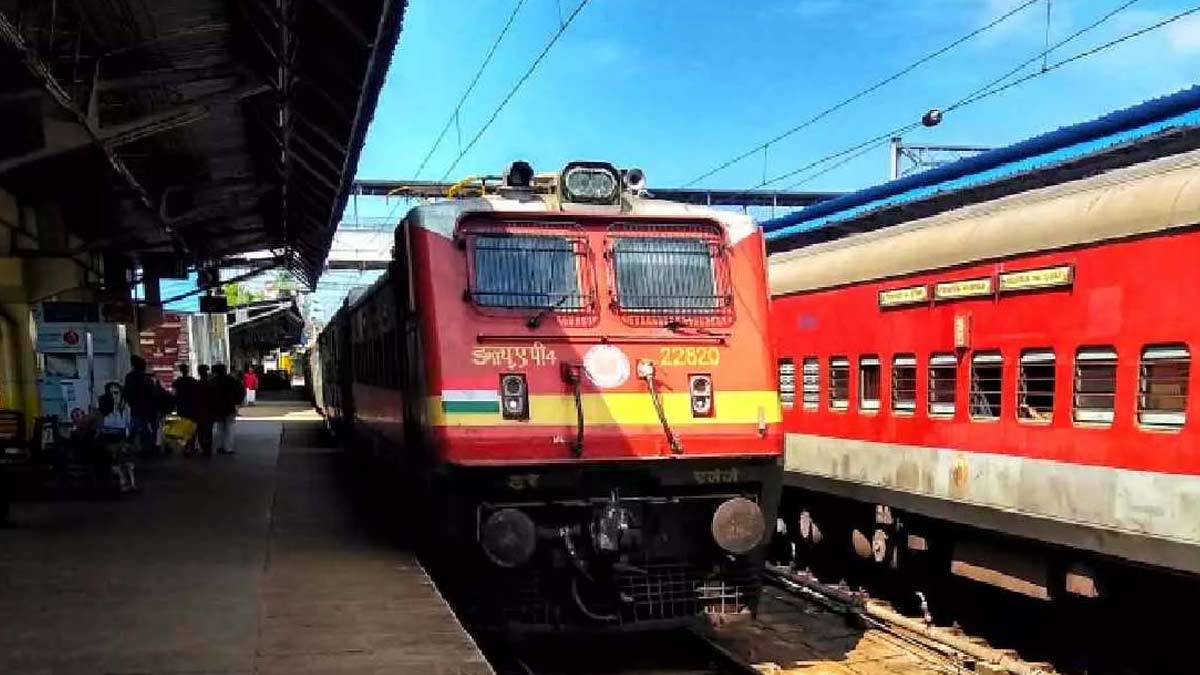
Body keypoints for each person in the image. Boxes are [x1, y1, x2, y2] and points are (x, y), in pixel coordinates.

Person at [95, 382, 136, 493]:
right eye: (111, 393)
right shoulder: (104, 410)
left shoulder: (125, 409)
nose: (114, 396)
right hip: (109, 442)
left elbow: (128, 427)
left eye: (116, 393)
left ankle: (129, 482)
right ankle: (123, 481)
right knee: (117, 452)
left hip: (120, 440)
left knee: (124, 451)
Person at [123, 355, 159, 457]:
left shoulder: (130, 377)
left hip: (136, 407)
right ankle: (148, 447)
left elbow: (126, 392)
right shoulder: (147, 379)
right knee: (146, 427)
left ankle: (132, 446)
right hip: (148, 408)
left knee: (137, 426)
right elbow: (153, 394)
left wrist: (128, 402)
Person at [211, 364, 244, 455]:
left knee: (220, 428)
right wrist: (238, 402)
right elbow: (240, 391)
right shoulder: (231, 380)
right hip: (230, 407)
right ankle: (228, 448)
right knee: (229, 427)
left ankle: (221, 446)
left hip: (218, 408)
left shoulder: (213, 381)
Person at [172, 364, 199, 454]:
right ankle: (191, 445)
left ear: (181, 371)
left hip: (181, 407)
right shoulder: (193, 381)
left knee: (183, 427)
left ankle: (186, 446)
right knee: (192, 427)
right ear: (187, 371)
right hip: (192, 407)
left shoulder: (177, 382)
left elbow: (173, 394)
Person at [194, 364, 215, 456]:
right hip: (209, 411)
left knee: (201, 431)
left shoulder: (197, 384)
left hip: (199, 411)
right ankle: (208, 449)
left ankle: (204, 448)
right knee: (208, 431)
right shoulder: (211, 384)